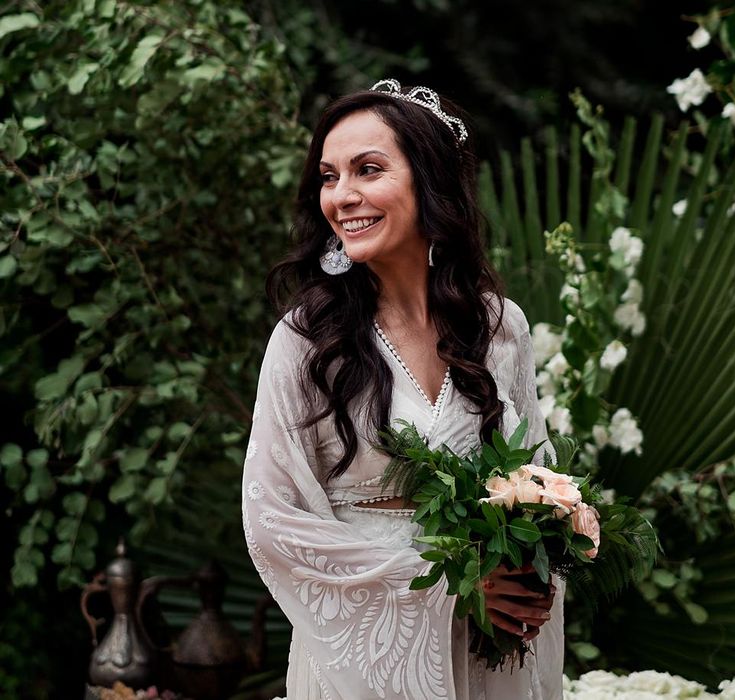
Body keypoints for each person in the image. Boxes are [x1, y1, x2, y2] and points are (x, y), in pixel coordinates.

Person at [242, 79, 564, 700]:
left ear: (430, 181)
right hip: (360, 653)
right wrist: (452, 586)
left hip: (492, 649)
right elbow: (272, 520)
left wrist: (531, 564)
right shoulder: (308, 341)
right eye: (329, 177)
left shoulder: (501, 329)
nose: (343, 196)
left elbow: (538, 477)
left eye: (368, 169)